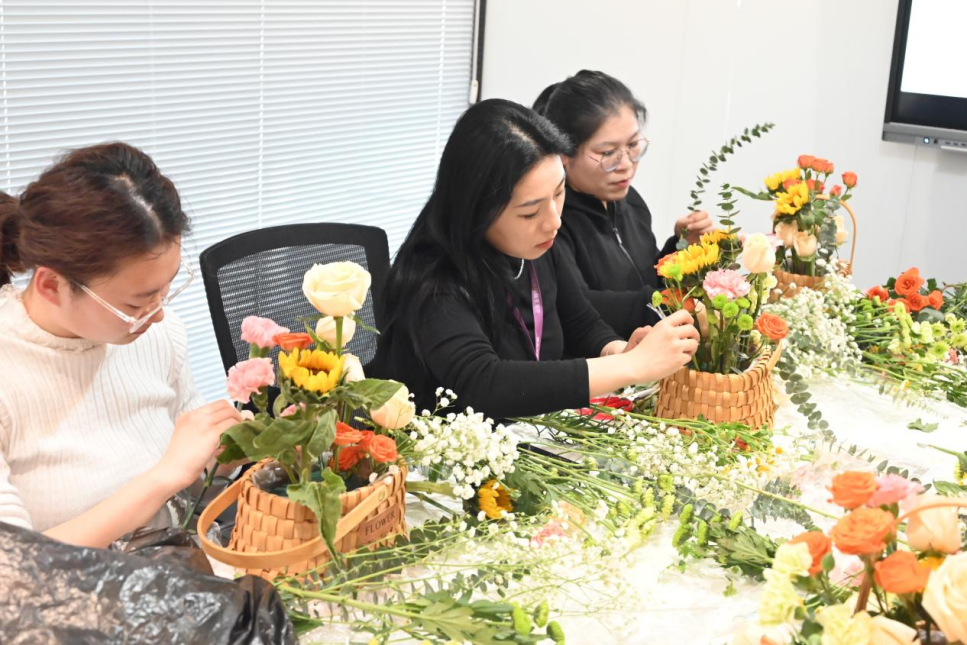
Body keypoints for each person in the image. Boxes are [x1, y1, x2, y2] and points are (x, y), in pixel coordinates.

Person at [373, 99, 699, 420]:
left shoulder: (536, 245)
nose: (554, 221)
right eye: (530, 212)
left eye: (559, 193)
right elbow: (485, 384)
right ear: (476, 211)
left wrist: (618, 350)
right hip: (443, 446)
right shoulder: (433, 280)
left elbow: (582, 323)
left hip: (528, 431)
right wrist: (629, 366)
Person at [0, 142, 243, 548]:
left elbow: (185, 479)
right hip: (69, 586)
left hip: (177, 565)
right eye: (136, 303)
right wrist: (164, 476)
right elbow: (13, 567)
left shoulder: (158, 335)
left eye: (166, 289)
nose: (158, 314)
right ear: (51, 285)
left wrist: (224, 455)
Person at [534, 70, 715, 337]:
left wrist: (680, 246)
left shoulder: (630, 201)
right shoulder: (551, 221)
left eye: (633, 145)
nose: (626, 164)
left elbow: (644, 275)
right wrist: (674, 302)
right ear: (564, 153)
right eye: (608, 152)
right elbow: (579, 309)